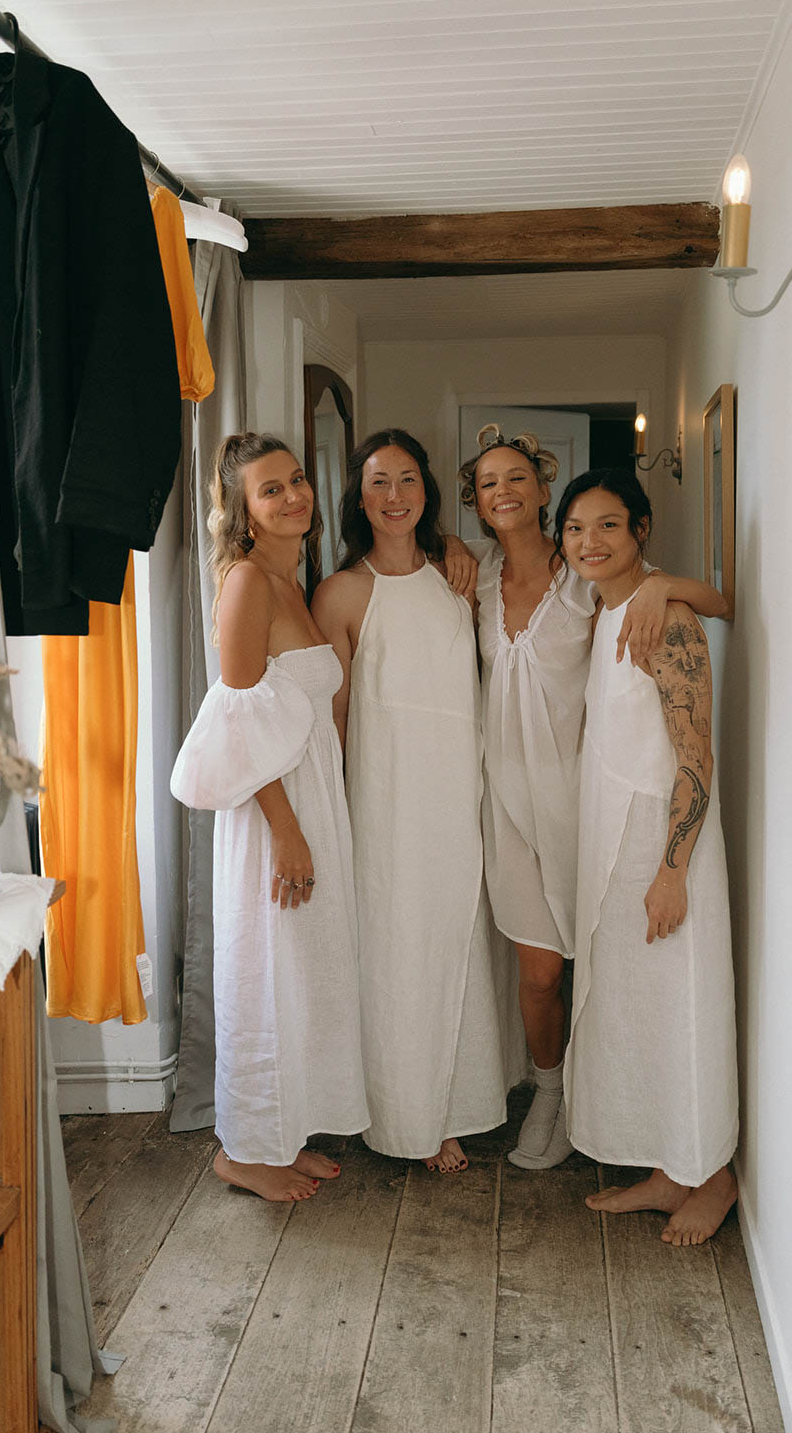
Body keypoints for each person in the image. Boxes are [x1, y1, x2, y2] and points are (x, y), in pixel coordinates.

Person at [456, 425, 728, 1171]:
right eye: (487, 482)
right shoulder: (469, 576)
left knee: (608, 967)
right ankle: (549, 1093)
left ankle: (615, 1110)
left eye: (518, 476)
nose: (504, 490)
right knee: (540, 973)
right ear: (475, 504)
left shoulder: (587, 574)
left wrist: (667, 584)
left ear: (543, 488)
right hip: (506, 802)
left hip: (585, 802)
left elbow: (714, 602)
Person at [313, 430, 523, 1174]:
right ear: (358, 497)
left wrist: (456, 547)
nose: (394, 495)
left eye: (407, 480)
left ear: (427, 492)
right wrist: (332, 817)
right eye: (378, 482)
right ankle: (405, 1114)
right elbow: (332, 718)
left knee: (458, 940)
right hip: (385, 801)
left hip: (459, 790)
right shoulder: (339, 592)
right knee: (397, 950)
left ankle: (458, 1106)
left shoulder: (457, 575)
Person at [170, 432, 369, 1203]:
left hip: (312, 796)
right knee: (265, 975)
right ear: (244, 512)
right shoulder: (247, 582)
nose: (293, 496)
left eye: (295, 482)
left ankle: (286, 1132)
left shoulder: (296, 580)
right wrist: (286, 830)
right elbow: (238, 724)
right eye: (269, 490)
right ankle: (243, 1149)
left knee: (307, 973)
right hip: (270, 814)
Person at [557, 468, 738, 1245]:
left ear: (639, 531)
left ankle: (712, 1176)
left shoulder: (663, 620)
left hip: (664, 843)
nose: (587, 542)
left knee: (680, 1007)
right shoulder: (607, 616)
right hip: (612, 841)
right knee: (634, 1014)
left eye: (606, 526)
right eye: (573, 528)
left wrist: (672, 872)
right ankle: (668, 1172)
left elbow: (694, 756)